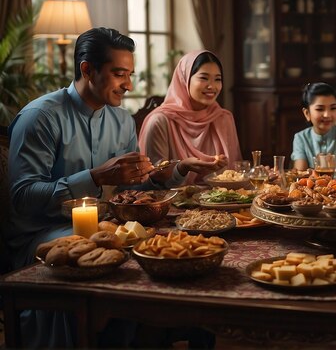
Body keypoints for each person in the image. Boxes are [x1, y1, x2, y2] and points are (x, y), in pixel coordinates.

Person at [5, 27, 186, 347]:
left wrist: (163, 176)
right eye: (119, 74)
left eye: (130, 74)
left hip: (106, 226)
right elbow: (23, 198)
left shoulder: (121, 120)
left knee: (167, 249)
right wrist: (95, 177)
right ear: (87, 69)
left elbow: (131, 189)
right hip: (43, 236)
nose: (128, 85)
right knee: (116, 255)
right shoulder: (40, 117)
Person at [138, 50, 239, 183]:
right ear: (184, 79)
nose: (212, 86)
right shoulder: (160, 121)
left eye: (218, 79)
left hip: (222, 201)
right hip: (172, 200)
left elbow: (236, 173)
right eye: (204, 78)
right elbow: (152, 178)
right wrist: (181, 168)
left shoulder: (223, 118)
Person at [291, 82, 336, 170]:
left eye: (333, 108)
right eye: (320, 109)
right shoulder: (301, 138)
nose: (327, 114)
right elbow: (300, 172)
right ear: (307, 113)